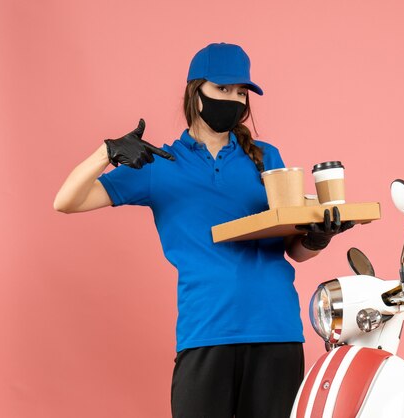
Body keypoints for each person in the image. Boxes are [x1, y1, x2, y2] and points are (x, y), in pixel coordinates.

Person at [53, 42, 354, 418]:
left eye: (241, 92)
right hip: (206, 330)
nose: (234, 99)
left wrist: (317, 237)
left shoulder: (265, 157)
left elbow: (294, 249)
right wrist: (107, 152)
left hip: (275, 329)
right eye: (223, 89)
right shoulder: (158, 165)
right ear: (196, 94)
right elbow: (65, 201)